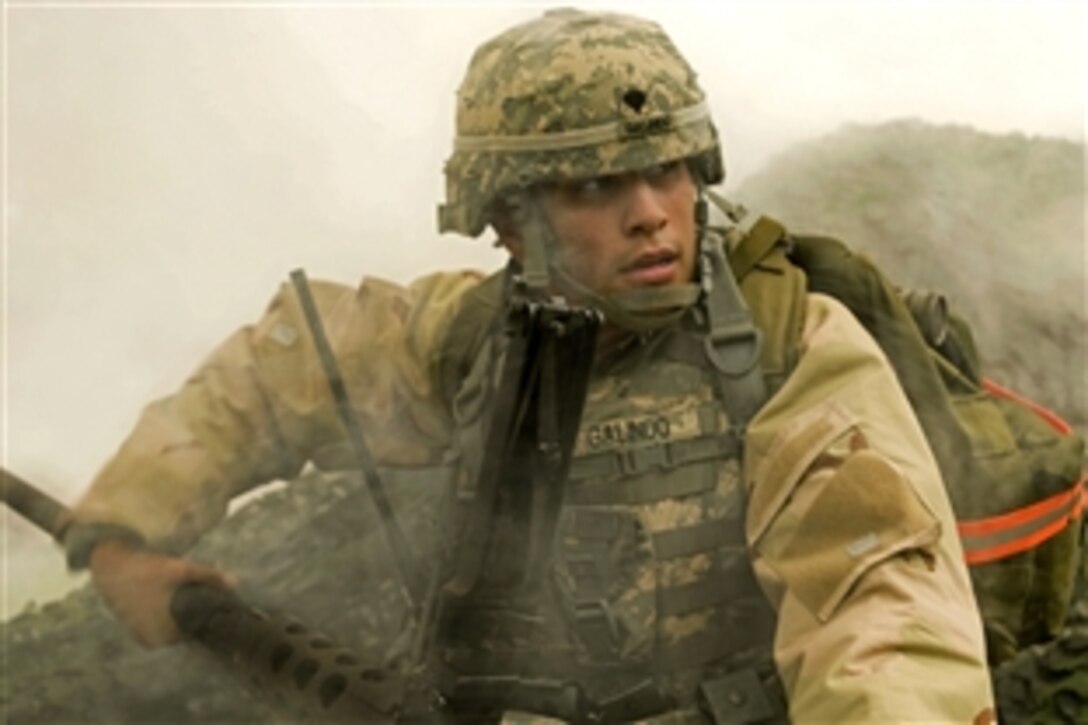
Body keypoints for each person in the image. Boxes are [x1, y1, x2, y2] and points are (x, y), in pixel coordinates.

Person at [60, 8, 996, 723]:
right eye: (593, 184)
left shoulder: (790, 344)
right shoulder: (476, 335)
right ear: (508, 219)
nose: (650, 214)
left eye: (667, 170)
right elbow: (281, 370)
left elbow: (884, 610)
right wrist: (125, 528)